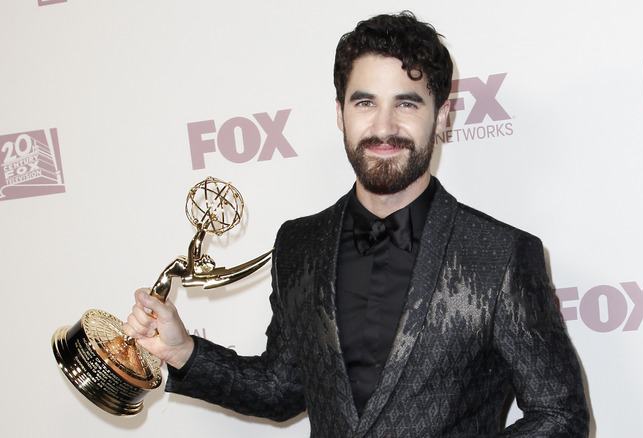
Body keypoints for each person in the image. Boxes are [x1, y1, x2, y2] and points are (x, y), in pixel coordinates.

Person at [124, 11, 590, 437]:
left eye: (406, 104)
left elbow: (560, 415)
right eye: (365, 103)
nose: (383, 126)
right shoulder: (299, 245)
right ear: (340, 113)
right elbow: (280, 388)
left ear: (442, 116)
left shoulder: (499, 255)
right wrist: (184, 351)